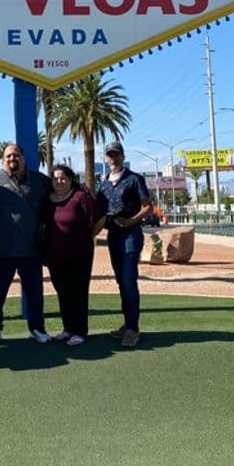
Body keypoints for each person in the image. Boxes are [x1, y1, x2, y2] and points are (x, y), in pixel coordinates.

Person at [0, 143, 51, 345]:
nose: (12, 159)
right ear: (2, 159)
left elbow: (62, 193)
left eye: (16, 155)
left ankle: (37, 328)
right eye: (8, 156)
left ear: (23, 157)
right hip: (0, 250)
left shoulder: (41, 181)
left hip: (31, 250)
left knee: (35, 294)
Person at [94, 141, 153, 348]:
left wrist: (132, 220)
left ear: (122, 156)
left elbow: (148, 207)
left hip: (130, 235)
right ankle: (128, 323)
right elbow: (99, 213)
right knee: (121, 281)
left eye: (116, 154)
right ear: (106, 157)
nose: (113, 158)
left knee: (128, 280)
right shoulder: (103, 184)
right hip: (113, 237)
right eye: (110, 154)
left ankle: (132, 329)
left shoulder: (135, 179)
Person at [40, 164, 103, 346]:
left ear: (70, 179)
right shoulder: (47, 199)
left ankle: (80, 332)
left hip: (80, 254)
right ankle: (68, 329)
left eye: (63, 178)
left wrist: (89, 235)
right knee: (62, 291)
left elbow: (100, 218)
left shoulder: (80, 196)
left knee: (78, 292)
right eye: (55, 178)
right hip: (54, 255)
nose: (59, 181)